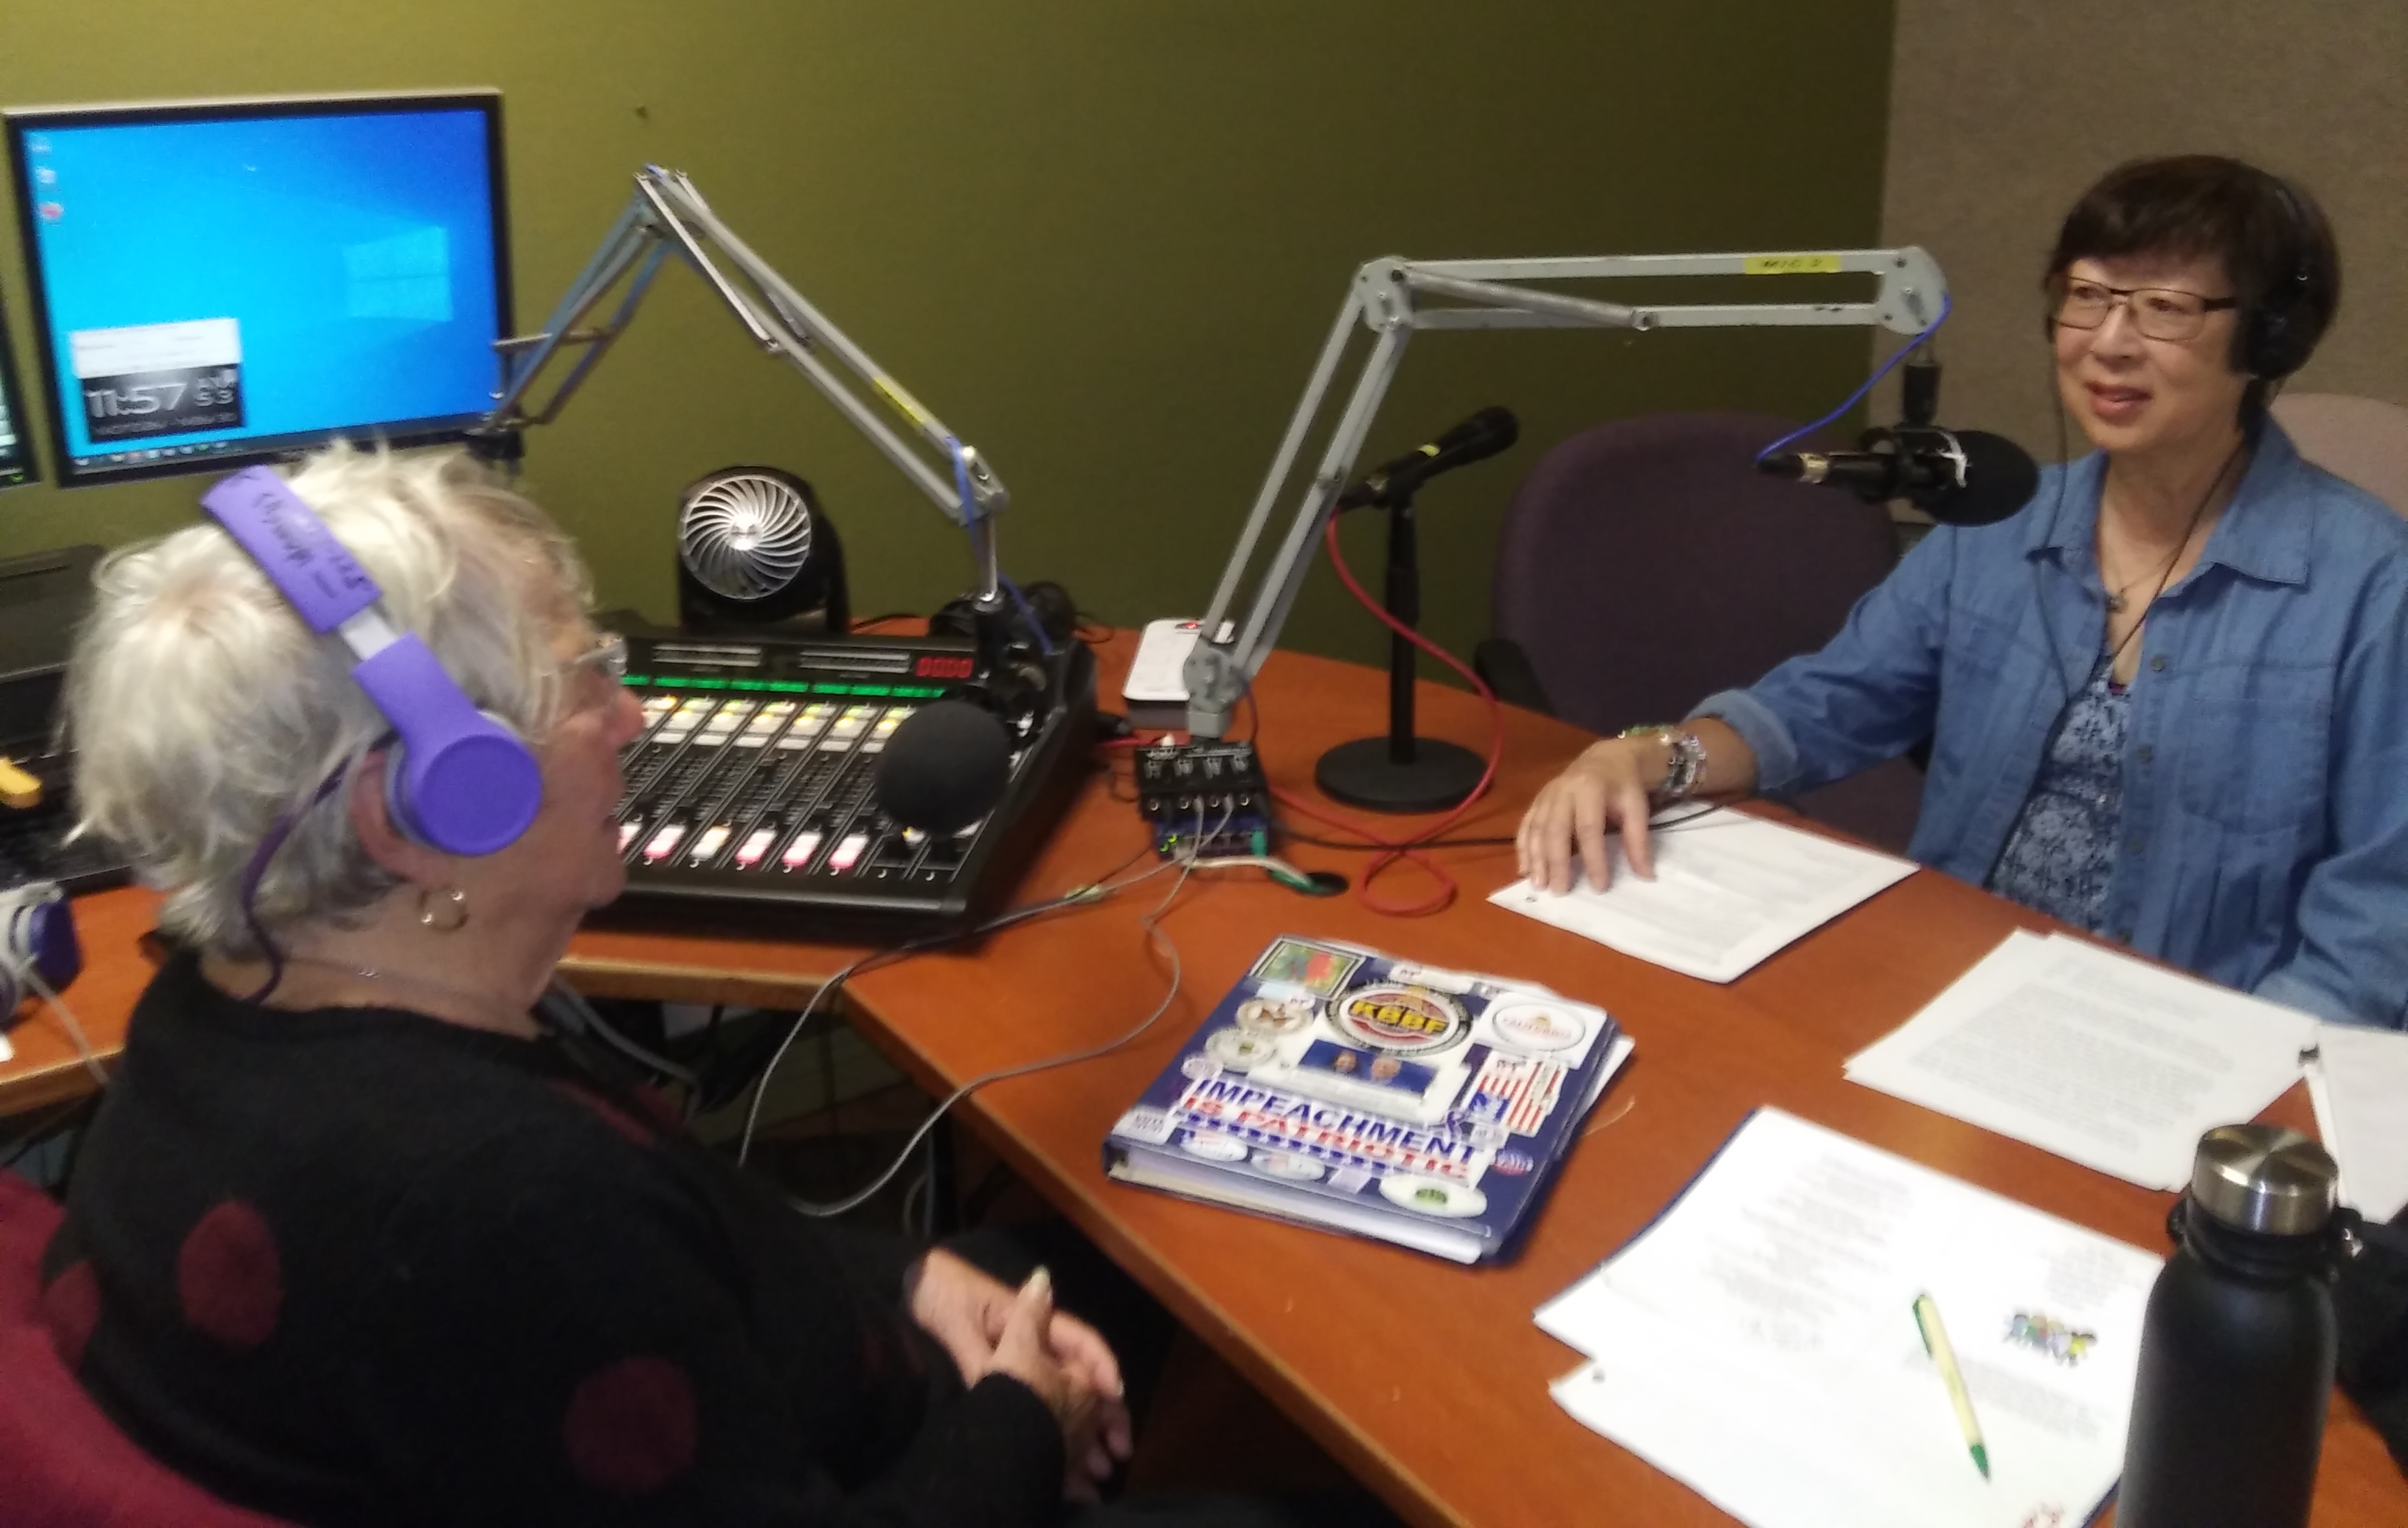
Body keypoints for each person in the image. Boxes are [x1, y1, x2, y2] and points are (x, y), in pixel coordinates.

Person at [39, 446, 1345, 1528]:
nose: (635, 716)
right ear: (429, 804)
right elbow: (586, 1249)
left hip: (742, 1389)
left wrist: (903, 1280)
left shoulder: (204, 1014)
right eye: (584, 678)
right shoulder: (500, 1199)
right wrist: (1018, 1424)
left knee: (1096, 1258)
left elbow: (688, 1249)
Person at [1517, 156, 2408, 1028]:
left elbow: (2376, 920)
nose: (2108, 342)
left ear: (2268, 340)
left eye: (2165, 310)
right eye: (2087, 295)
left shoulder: (2370, 584)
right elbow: (1827, 704)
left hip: (2199, 1041)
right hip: (1960, 997)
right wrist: (1646, 756)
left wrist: (2252, 1106)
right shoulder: (2001, 523)